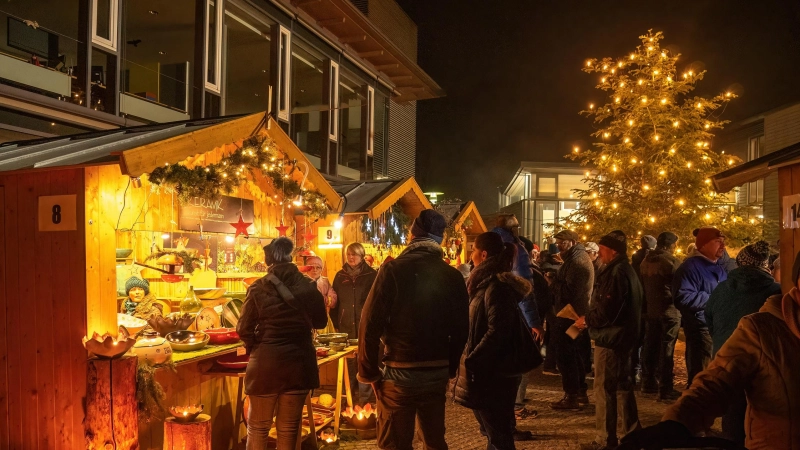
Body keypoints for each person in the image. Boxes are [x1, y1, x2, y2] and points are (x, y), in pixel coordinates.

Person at [620, 251, 800, 450]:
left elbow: (710, 316)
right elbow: (715, 382)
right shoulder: (762, 330)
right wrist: (678, 422)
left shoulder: (723, 287)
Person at [358, 209, 469, 450]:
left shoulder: (392, 270)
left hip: (399, 371)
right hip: (436, 370)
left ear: (412, 235)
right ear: (440, 240)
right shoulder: (452, 276)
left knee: (395, 442)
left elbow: (369, 324)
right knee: (433, 440)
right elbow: (461, 329)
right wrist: (449, 368)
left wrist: (369, 374)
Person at [237, 237, 327, 450]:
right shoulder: (308, 286)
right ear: (290, 257)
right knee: (288, 428)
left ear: (269, 261)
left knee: (258, 428)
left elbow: (243, 329)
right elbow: (321, 322)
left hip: (265, 364)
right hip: (299, 364)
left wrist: (257, 344)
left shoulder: (258, 287)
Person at [454, 232, 532, 450]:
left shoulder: (496, 287)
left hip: (495, 373)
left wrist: (473, 359)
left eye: (474, 250)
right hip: (488, 370)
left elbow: (498, 331)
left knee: (498, 434)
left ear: (484, 254)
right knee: (492, 431)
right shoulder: (484, 283)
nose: (471, 255)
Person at [704, 240, 780, 445]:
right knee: (760, 417)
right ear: (765, 265)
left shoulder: (721, 289)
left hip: (727, 359)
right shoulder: (776, 292)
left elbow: (708, 318)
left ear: (740, 263)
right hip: (763, 363)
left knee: (733, 415)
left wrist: (722, 341)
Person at [575, 230, 643, 450]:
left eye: (602, 249)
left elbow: (608, 310)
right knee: (623, 386)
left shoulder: (616, 273)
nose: (600, 254)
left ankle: (605, 439)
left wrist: (587, 320)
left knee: (605, 388)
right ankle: (632, 434)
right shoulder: (626, 270)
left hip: (611, 339)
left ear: (613, 251)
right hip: (624, 337)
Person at [673, 227, 727, 386]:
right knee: (701, 374)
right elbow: (683, 297)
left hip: (716, 327)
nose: (722, 246)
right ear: (703, 245)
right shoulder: (690, 267)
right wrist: (715, 299)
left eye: (723, 242)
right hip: (701, 329)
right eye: (717, 242)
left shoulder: (718, 266)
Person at [550, 229, 595, 411]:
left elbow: (570, 291)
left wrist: (553, 282)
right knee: (574, 353)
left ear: (573, 242)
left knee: (566, 354)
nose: (559, 246)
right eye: (558, 243)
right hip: (573, 315)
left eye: (563, 243)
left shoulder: (577, 262)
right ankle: (579, 392)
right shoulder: (574, 259)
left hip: (571, 316)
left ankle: (572, 395)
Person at [331, 242, 378, 404]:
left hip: (365, 326)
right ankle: (348, 398)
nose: (351, 257)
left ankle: (364, 401)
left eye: (354, 254)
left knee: (364, 361)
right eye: (348, 254)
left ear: (362, 256)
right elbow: (335, 303)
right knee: (348, 362)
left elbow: (376, 301)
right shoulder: (340, 276)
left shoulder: (371, 275)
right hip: (345, 326)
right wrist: (336, 323)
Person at [638, 232, 682, 401]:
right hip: (669, 311)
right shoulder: (671, 262)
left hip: (651, 310)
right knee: (667, 348)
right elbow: (680, 286)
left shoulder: (646, 261)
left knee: (650, 346)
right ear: (671, 245)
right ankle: (665, 388)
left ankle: (647, 382)